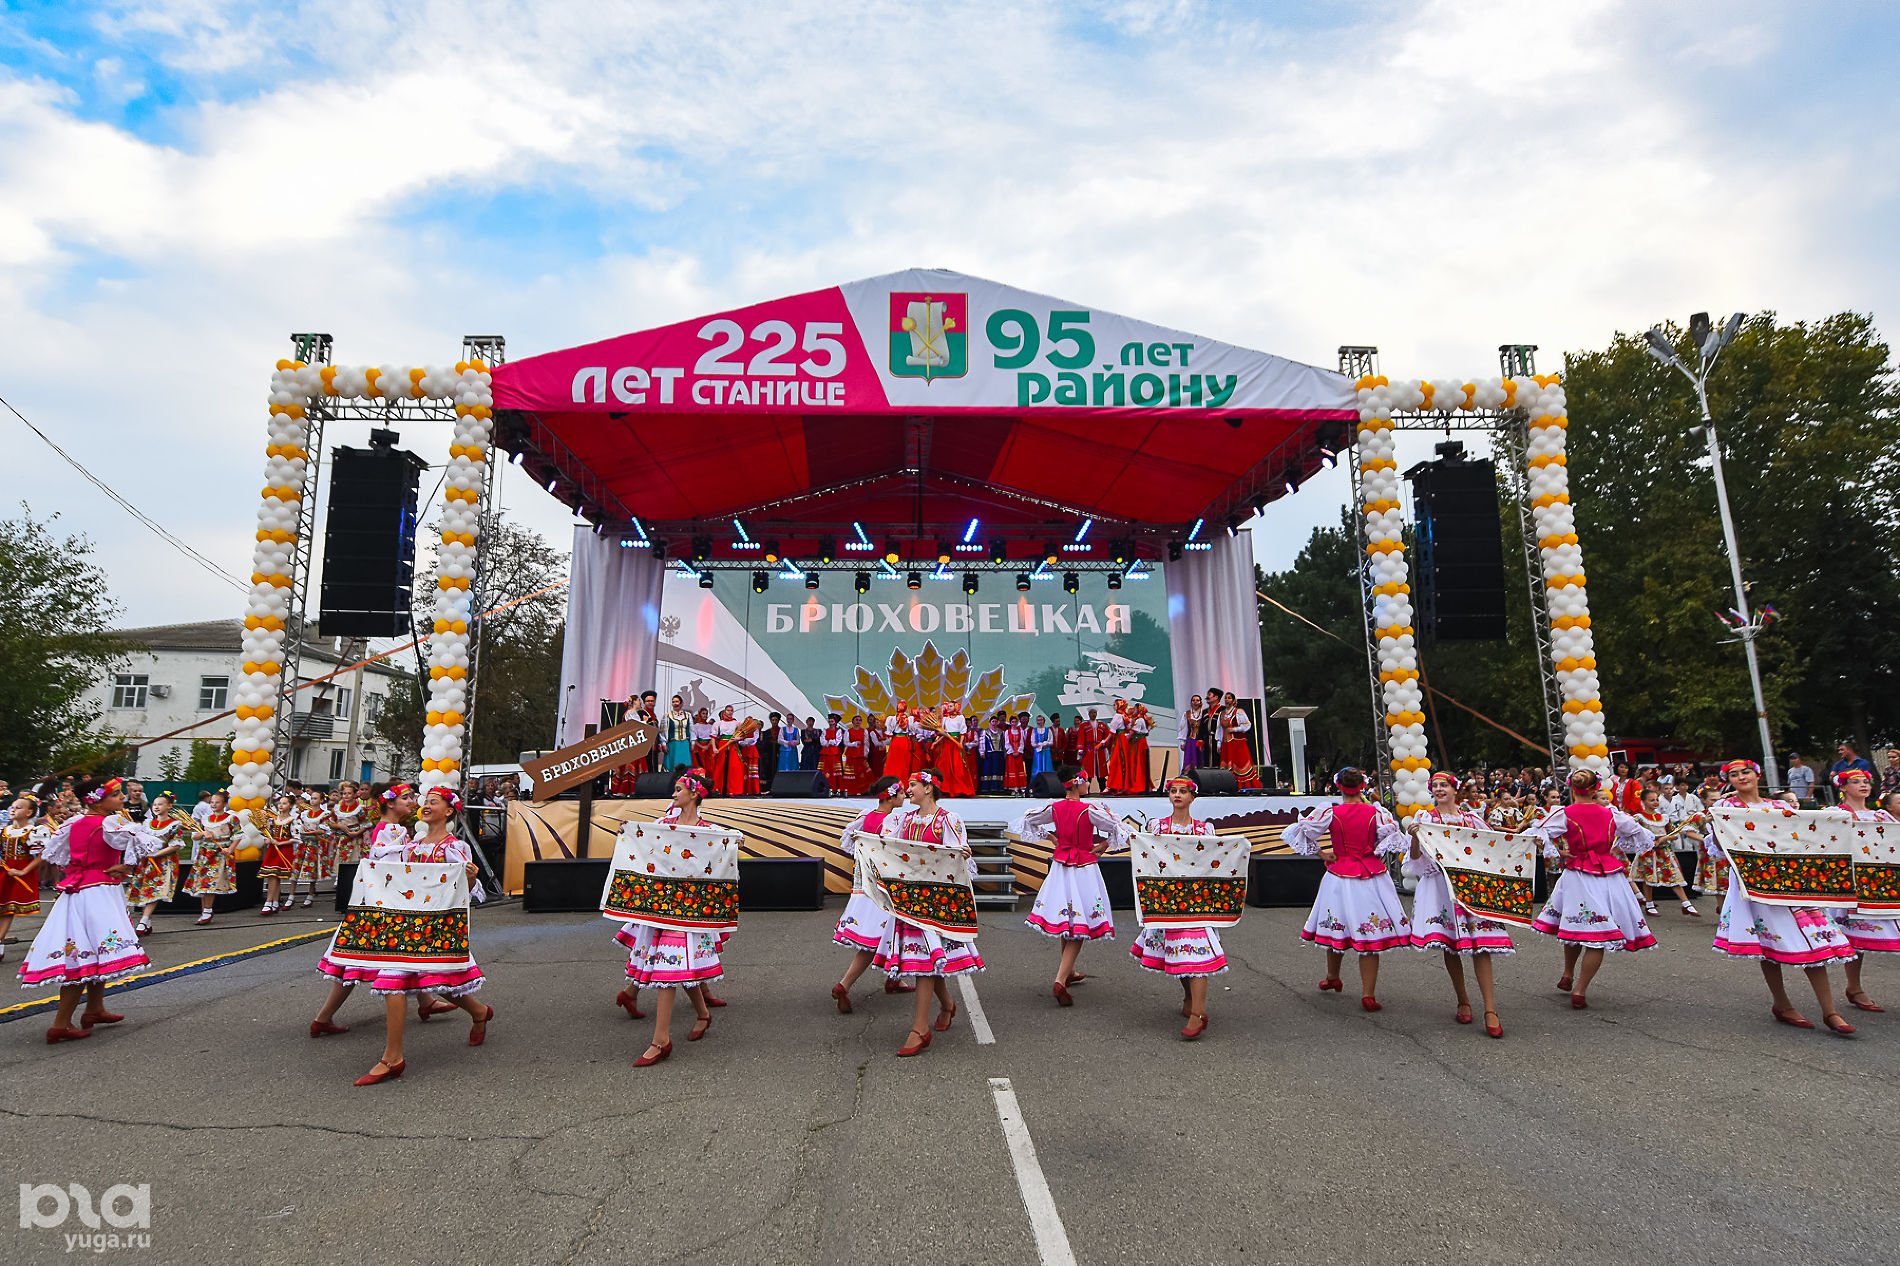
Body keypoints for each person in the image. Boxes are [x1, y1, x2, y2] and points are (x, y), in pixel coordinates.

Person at [318, 786, 491, 1084]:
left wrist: (472, 877)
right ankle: (476, 1013)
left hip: (436, 928)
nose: (424, 806)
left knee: (433, 984)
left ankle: (398, 1055)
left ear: (449, 811)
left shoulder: (455, 847)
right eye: (424, 802)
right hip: (405, 926)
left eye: (433, 803)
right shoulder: (409, 846)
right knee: (412, 982)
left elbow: (468, 893)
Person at [1709, 759, 1857, 1033]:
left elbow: (1801, 838)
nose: (1741, 777)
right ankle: (1782, 1002)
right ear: (1728, 779)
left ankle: (1830, 1011)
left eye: (1745, 772)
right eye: (1733, 774)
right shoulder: (1727, 808)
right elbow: (1722, 847)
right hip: (1752, 882)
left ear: (1757, 775)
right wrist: (1716, 824)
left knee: (1813, 940)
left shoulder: (1780, 806)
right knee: (1768, 941)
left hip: (1790, 879)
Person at [19, 776, 158, 1041]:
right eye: (115, 794)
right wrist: (127, 867)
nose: (121, 798)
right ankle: (61, 1023)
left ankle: (94, 1008)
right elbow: (144, 842)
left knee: (94, 950)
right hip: (100, 892)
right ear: (97, 800)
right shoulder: (111, 822)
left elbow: (55, 856)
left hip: (77, 891)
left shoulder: (74, 823)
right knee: (83, 954)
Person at [1520, 769, 1658, 1008]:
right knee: (1599, 932)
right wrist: (1616, 848)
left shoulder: (1564, 813)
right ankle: (1580, 989)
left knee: (1575, 923)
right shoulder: (1611, 814)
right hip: (1608, 875)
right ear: (1596, 789)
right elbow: (1642, 835)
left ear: (1572, 789)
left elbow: (1537, 833)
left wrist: (1559, 852)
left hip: (1577, 874)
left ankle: (1568, 973)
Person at [618, 769, 726, 1067]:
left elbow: (725, 848)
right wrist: (627, 835)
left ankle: (661, 1039)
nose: (674, 794)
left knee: (670, 968)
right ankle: (702, 1016)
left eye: (679, 789)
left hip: (689, 909)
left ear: (694, 794)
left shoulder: (709, 829)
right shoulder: (663, 824)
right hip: (663, 907)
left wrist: (733, 844)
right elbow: (643, 843)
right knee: (678, 967)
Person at [872, 769, 982, 1055]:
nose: (907, 789)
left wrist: (961, 853)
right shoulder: (901, 819)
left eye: (912, 785)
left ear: (928, 789)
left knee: (923, 961)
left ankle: (920, 1029)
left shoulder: (948, 820)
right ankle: (947, 1005)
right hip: (908, 899)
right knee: (924, 958)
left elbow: (958, 858)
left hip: (934, 902)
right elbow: (887, 847)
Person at [1282, 768, 1411, 1010]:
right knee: (1369, 933)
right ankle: (1368, 993)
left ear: (1338, 787)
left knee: (1336, 926)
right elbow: (1392, 839)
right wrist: (1372, 850)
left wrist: (1322, 853)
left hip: (1339, 873)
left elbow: (1299, 831)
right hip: (1371, 874)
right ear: (1362, 787)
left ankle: (1333, 976)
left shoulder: (1331, 812)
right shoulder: (1377, 813)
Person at [1405, 772, 1510, 1038]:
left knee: (1481, 944)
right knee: (1450, 944)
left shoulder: (1472, 819)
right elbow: (1415, 857)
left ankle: (1490, 1009)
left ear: (1455, 790)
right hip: (1440, 885)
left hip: (1469, 886)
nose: (1439, 790)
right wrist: (1415, 836)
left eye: (1444, 785)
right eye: (1435, 786)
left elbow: (1491, 848)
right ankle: (1463, 999)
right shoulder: (1426, 819)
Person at [1128, 776, 1229, 1038]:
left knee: (1195, 954)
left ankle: (1199, 1012)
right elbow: (1147, 854)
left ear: (1193, 798)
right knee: (1179, 953)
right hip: (1166, 900)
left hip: (1196, 900)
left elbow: (1212, 859)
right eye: (1173, 791)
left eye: (1183, 791)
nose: (1177, 795)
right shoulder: (1157, 826)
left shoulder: (1204, 829)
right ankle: (1188, 999)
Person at [1014, 767, 1120, 1004]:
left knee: (1070, 920)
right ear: (1079, 784)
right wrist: (1103, 845)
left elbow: (1027, 820)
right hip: (1084, 868)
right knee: (1079, 925)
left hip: (1061, 866)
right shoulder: (1089, 810)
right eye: (1087, 781)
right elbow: (1118, 828)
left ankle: (1069, 971)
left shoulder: (1055, 808)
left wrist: (1052, 838)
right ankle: (1060, 979)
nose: (1089, 785)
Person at [829, 776, 916, 1009]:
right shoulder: (894, 820)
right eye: (900, 793)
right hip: (886, 889)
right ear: (890, 795)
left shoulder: (866, 817)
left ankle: (894, 979)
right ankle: (844, 985)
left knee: (894, 934)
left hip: (867, 886)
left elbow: (851, 843)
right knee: (875, 942)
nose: (905, 796)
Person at [1827, 769, 1895, 1013]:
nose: (1863, 786)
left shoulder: (1881, 815)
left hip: (1884, 883)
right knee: (1855, 939)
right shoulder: (1834, 814)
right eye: (1856, 782)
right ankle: (1854, 987)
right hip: (1853, 883)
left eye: (1865, 782)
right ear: (1843, 787)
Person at [1628, 785, 1699, 917]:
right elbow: (1634, 834)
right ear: (1643, 802)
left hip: (1664, 851)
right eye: (1651, 800)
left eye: (1656, 800)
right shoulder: (1638, 818)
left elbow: (1674, 833)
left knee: (1673, 875)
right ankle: (1649, 904)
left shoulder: (1664, 817)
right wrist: (1648, 840)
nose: (1655, 802)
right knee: (1647, 878)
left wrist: (1664, 838)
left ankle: (1686, 903)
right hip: (1647, 851)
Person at [127, 792, 192, 934]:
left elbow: (175, 845)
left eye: (160, 804)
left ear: (169, 806)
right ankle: (147, 922)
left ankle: (143, 920)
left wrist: (156, 853)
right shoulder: (147, 823)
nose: (156, 807)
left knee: (155, 890)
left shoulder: (174, 825)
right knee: (146, 890)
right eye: (155, 804)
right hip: (147, 862)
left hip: (164, 862)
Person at [1, 796, 49, 959]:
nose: (13, 809)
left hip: (19, 871)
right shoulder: (4, 830)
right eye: (12, 807)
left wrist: (24, 871)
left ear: (30, 812)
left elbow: (42, 855)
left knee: (8, 909)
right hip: (3, 869)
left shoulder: (34, 831)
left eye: (19, 807)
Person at [182, 789, 238, 924]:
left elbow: (238, 835)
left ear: (224, 803)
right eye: (212, 802)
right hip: (205, 854)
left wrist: (230, 849)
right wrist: (203, 834)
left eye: (217, 802)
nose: (213, 804)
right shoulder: (206, 819)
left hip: (219, 854)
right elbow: (195, 836)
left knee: (211, 883)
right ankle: (205, 912)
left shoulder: (231, 818)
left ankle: (207, 911)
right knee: (203, 883)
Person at [257, 792, 300, 914]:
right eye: (280, 803)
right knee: (272, 875)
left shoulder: (293, 820)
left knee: (274, 875)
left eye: (284, 803)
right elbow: (266, 834)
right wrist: (268, 840)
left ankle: (269, 902)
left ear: (290, 806)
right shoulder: (273, 820)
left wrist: (281, 843)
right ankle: (274, 902)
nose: (281, 805)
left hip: (284, 849)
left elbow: (297, 837)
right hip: (273, 849)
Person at [288, 790, 331, 908]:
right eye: (312, 798)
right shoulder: (304, 814)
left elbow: (324, 830)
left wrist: (312, 832)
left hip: (315, 845)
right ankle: (291, 896)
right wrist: (302, 831)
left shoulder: (325, 814)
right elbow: (298, 826)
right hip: (304, 843)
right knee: (296, 868)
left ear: (321, 800)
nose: (312, 801)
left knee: (312, 869)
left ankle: (310, 895)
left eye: (315, 798)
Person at [1216, 693, 1263, 790]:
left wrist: (1234, 729)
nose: (1227, 700)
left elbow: (1247, 725)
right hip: (1227, 744)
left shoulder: (1238, 712)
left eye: (1229, 698)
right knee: (1228, 766)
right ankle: (1229, 786)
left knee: (1240, 765)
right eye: (1226, 698)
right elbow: (1219, 730)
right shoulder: (1222, 714)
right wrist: (1219, 743)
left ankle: (1244, 786)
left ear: (1234, 701)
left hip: (1238, 743)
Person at [665, 696, 695, 773]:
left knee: (685, 763)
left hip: (685, 743)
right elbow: (664, 730)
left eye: (677, 701)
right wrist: (663, 743)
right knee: (673, 763)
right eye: (673, 702)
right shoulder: (667, 715)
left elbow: (691, 729)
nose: (675, 704)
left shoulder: (688, 715)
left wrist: (693, 742)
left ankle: (685, 781)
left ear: (681, 703)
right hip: (673, 744)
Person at [818, 713, 847, 792]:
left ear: (836, 722)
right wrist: (830, 741)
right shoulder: (825, 730)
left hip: (834, 753)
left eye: (832, 721)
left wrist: (828, 741)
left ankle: (835, 788)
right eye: (830, 721)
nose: (831, 723)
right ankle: (824, 787)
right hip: (825, 753)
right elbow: (822, 742)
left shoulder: (838, 731)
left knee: (834, 770)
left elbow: (837, 742)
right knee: (825, 769)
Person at [1178, 695, 1205, 771]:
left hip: (1201, 741)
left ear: (1200, 702)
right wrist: (1182, 742)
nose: (1195, 702)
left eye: (1197, 700)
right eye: (1193, 700)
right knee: (1190, 759)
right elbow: (1183, 728)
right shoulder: (1187, 714)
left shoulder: (1204, 713)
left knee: (1201, 759)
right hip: (1191, 741)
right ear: (1191, 702)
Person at [1029, 715, 1056, 782]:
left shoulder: (1048, 730)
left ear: (1044, 721)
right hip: (1038, 753)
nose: (1039, 722)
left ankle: (1049, 783)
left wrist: (1045, 744)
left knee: (1047, 767)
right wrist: (1037, 745)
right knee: (1037, 767)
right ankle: (1037, 783)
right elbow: (1032, 743)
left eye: (1041, 720)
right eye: (1038, 720)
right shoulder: (1034, 730)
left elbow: (1051, 741)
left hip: (1046, 751)